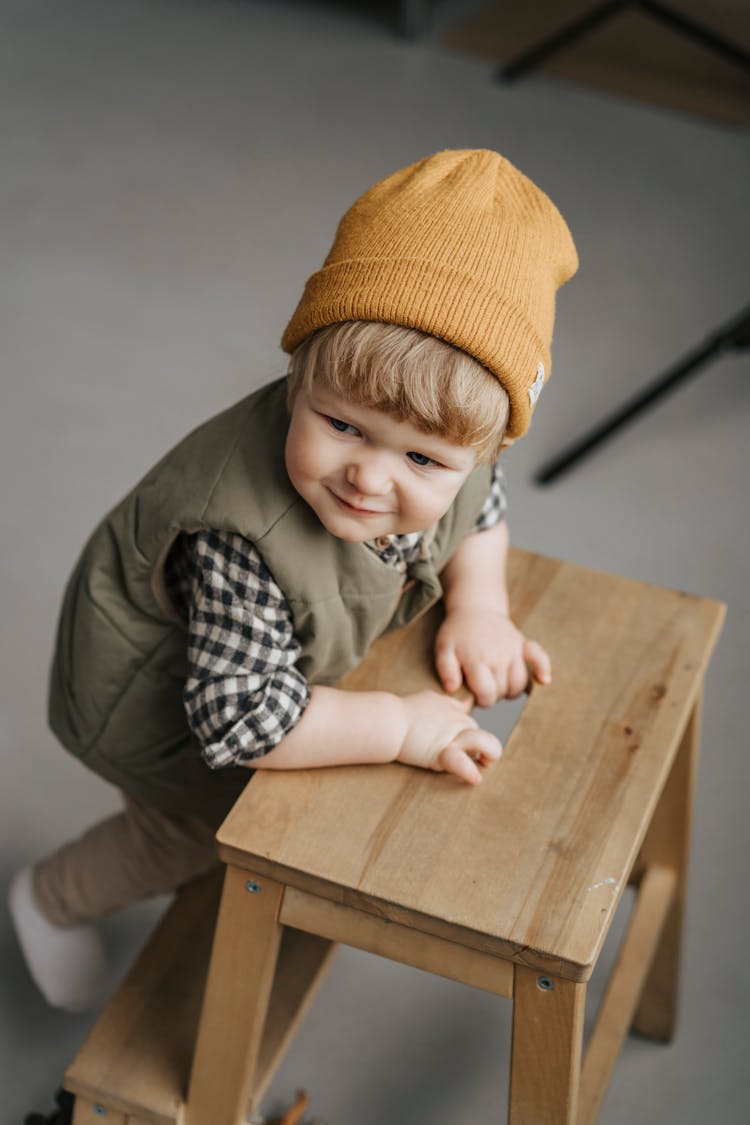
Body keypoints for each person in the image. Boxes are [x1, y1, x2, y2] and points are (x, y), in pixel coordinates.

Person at [8, 148, 578, 1012]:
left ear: (488, 448)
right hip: (168, 700)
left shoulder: (465, 472)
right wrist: (401, 728)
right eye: (342, 425)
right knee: (185, 841)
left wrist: (482, 605)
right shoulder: (239, 536)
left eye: (423, 457)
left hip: (286, 652)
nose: (370, 478)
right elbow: (244, 720)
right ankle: (50, 898)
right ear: (297, 377)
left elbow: (484, 508)